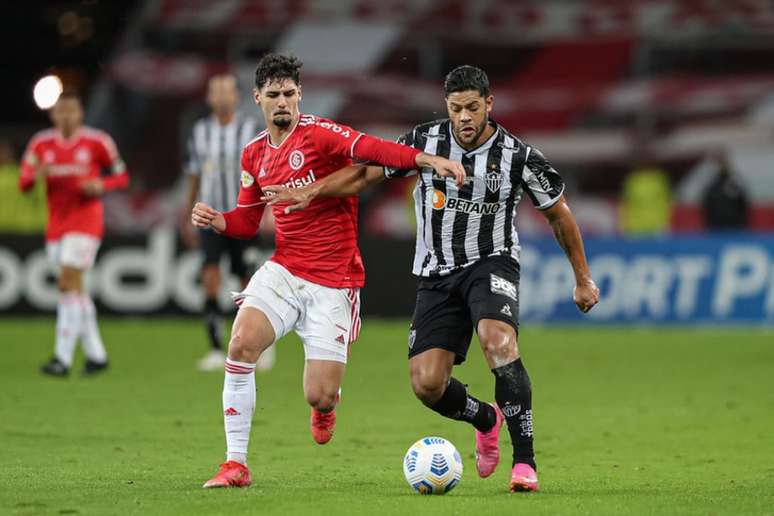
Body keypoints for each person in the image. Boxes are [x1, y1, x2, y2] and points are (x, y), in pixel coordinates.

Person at [263, 65, 600, 492]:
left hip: (491, 262)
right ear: (447, 106)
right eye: (456, 108)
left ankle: (525, 462)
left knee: (498, 342)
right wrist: (312, 190)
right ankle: (485, 418)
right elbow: (367, 172)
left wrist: (583, 279)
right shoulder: (424, 142)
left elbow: (559, 214)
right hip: (436, 273)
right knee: (426, 383)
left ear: (488, 105)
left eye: (473, 108)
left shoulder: (518, 155)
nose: (464, 117)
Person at [191, 53, 465, 488]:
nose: (283, 102)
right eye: (274, 95)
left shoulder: (319, 135)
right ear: (257, 98)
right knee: (241, 344)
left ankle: (325, 406)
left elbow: (372, 150)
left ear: (299, 95)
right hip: (284, 269)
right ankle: (235, 464)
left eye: (290, 94)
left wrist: (424, 161)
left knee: (317, 393)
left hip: (333, 281)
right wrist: (218, 220)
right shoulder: (254, 154)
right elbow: (246, 221)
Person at [19, 90, 130, 377]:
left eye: (72, 110)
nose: (67, 116)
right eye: (61, 111)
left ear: (80, 113)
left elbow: (121, 175)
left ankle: (62, 358)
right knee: (76, 290)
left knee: (67, 284)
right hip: (56, 225)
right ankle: (97, 356)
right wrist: (36, 175)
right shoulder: (40, 144)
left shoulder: (97, 142)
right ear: (53, 114)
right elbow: (24, 183)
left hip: (86, 222)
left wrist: (101, 185)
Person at [182, 74, 274, 372]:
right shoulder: (200, 131)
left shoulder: (250, 130)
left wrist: (270, 211)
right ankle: (213, 347)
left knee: (247, 282)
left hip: (243, 216)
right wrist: (188, 215)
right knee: (210, 277)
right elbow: (194, 175)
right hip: (210, 218)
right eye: (215, 92)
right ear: (209, 98)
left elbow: (267, 172)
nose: (221, 97)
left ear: (237, 96)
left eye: (226, 91)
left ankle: (256, 345)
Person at [701, 152, 749, 230]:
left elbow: (743, 203)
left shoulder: (735, 180)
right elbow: (706, 204)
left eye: (723, 161)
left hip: (735, 226)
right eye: (719, 162)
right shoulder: (710, 181)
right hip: (715, 227)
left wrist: (743, 223)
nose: (721, 165)